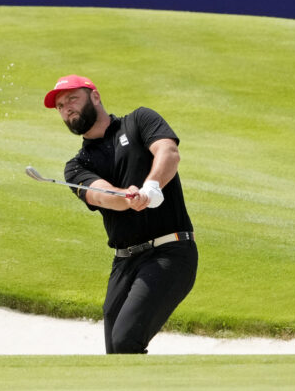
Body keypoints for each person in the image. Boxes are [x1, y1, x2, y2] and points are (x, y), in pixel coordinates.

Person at [44, 74, 197, 355]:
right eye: (61, 106)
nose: (67, 108)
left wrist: (151, 188)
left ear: (95, 96)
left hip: (170, 252)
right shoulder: (76, 166)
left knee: (126, 341)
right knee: (116, 351)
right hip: (125, 262)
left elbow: (168, 152)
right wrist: (126, 199)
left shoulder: (139, 121)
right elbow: (99, 194)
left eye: (72, 99)